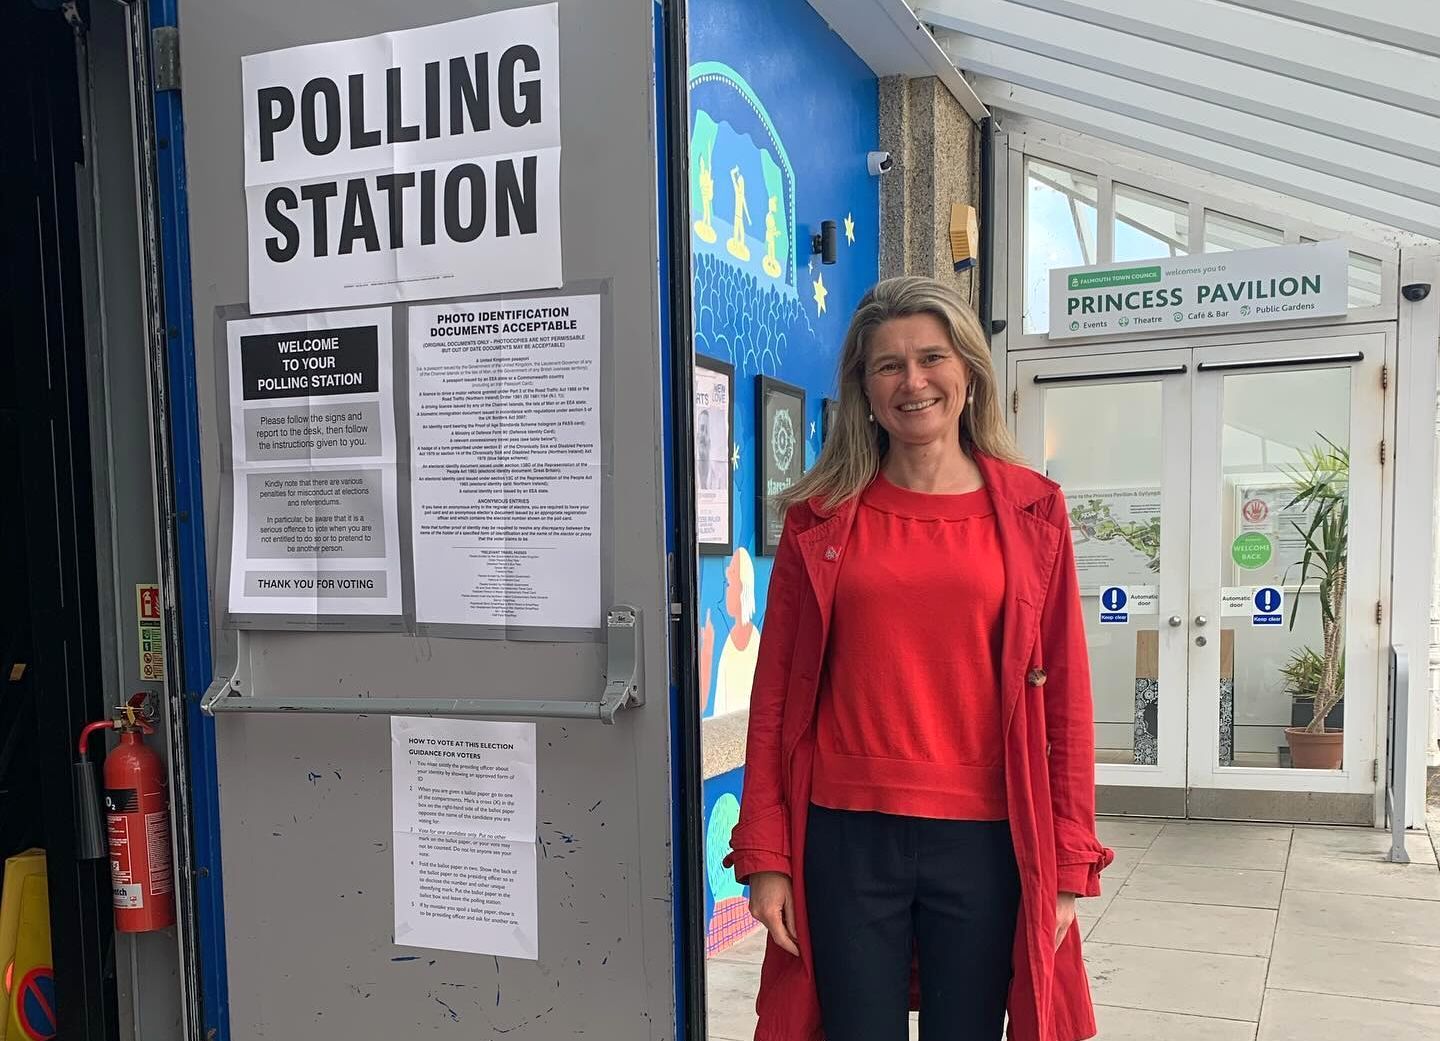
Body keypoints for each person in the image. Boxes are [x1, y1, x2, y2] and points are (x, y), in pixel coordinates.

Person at [724, 276, 1113, 1041]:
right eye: (887, 365)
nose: (913, 381)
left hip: (986, 840)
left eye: (932, 357)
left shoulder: (1034, 511)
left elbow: (1064, 696)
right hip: (843, 836)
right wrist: (768, 853)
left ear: (967, 372)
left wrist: (1069, 863)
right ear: (863, 389)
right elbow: (775, 700)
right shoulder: (820, 518)